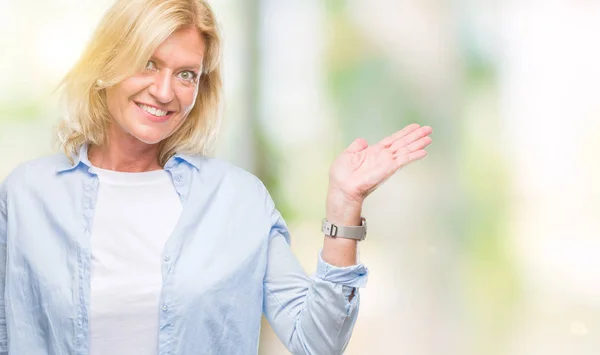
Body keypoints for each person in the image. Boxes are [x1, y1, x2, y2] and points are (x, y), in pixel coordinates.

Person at [0, 0, 433, 354]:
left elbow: (317, 342)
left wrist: (344, 205)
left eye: (186, 74)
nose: (165, 92)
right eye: (149, 64)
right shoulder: (26, 197)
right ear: (107, 64)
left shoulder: (238, 199)